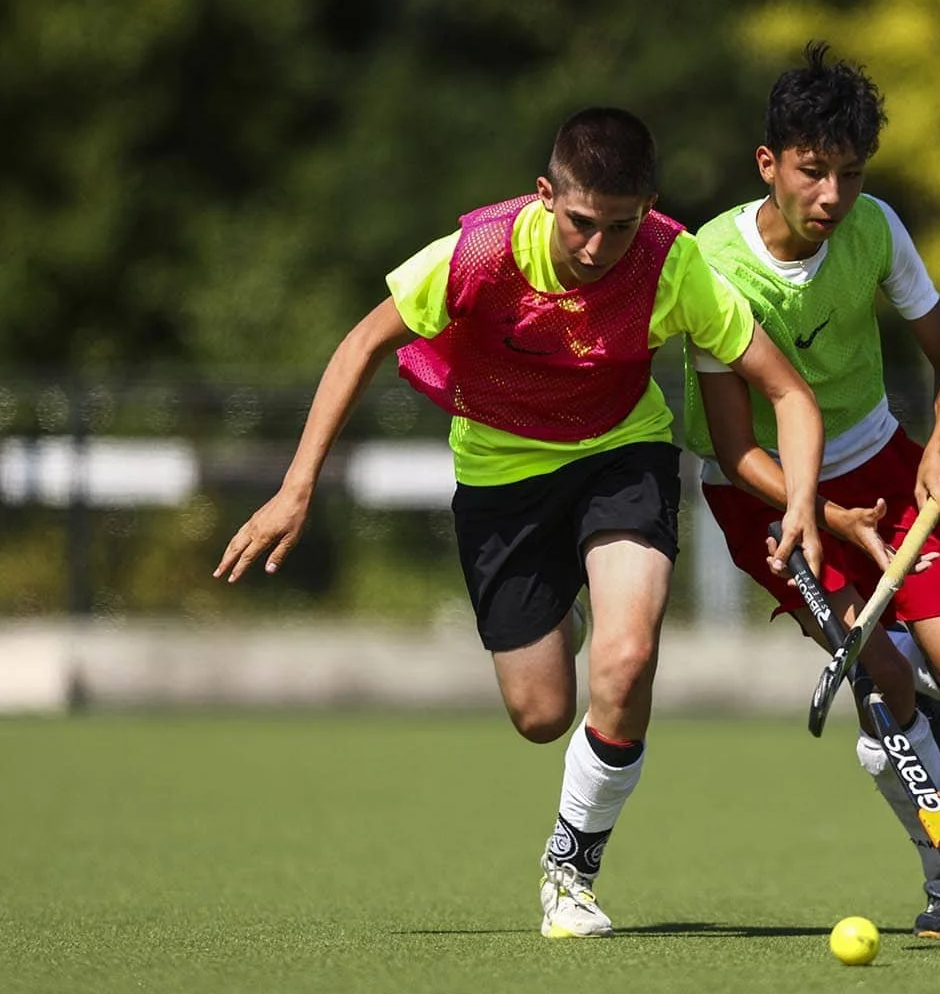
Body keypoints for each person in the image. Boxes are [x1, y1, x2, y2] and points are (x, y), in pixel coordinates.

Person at [213, 107, 826, 939]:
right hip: (502, 476)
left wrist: (800, 501)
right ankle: (567, 607)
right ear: (546, 196)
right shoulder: (479, 254)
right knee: (541, 715)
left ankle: (572, 870)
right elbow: (361, 344)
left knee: (627, 656)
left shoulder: (670, 262)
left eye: (621, 225)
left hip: (621, 453)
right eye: (581, 223)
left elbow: (787, 391)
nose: (598, 248)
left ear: (648, 208)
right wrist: (297, 487)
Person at [681, 43, 940, 940]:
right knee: (882, 672)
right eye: (812, 172)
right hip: (762, 493)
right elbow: (738, 447)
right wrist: (822, 514)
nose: (832, 197)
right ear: (768, 163)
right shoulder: (713, 264)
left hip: (881, 463)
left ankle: (908, 706)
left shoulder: (877, 229)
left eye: (850, 175)